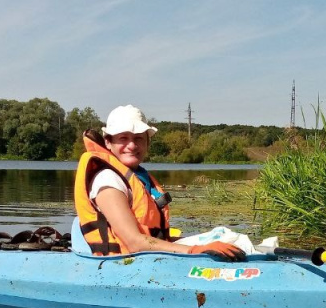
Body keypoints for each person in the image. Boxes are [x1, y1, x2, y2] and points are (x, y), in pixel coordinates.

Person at [73, 105, 245, 261]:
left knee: (230, 239)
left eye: (138, 138)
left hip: (146, 260)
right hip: (121, 266)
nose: (132, 145)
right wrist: (193, 250)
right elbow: (134, 243)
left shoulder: (138, 178)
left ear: (147, 142)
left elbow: (154, 237)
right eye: (123, 138)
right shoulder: (108, 180)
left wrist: (204, 244)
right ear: (108, 142)